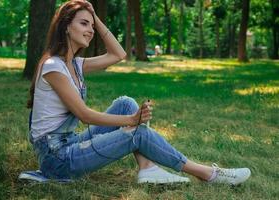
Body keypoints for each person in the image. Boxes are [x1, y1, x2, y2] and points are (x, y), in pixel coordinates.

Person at [26, 0, 251, 185]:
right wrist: (131, 120)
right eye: (84, 24)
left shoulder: (74, 64)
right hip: (57, 160)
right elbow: (84, 115)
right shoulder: (53, 66)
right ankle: (208, 174)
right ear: (66, 26)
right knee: (137, 131)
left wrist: (95, 17)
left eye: (91, 26)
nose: (90, 31)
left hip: (71, 143)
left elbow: (118, 54)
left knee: (125, 102)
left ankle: (147, 168)